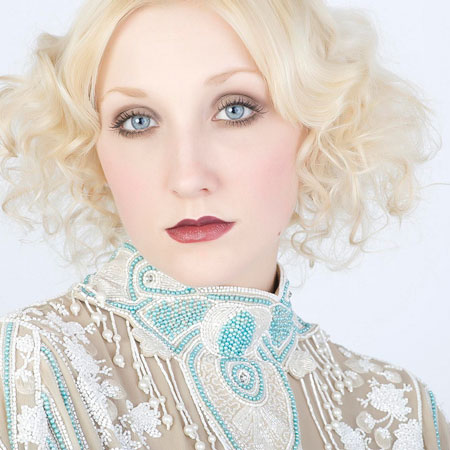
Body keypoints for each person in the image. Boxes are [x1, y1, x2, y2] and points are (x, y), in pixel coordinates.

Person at [0, 0, 448, 448]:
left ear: (317, 131)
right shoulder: (30, 368)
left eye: (235, 110)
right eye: (138, 120)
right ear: (93, 150)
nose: (187, 178)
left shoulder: (402, 414)